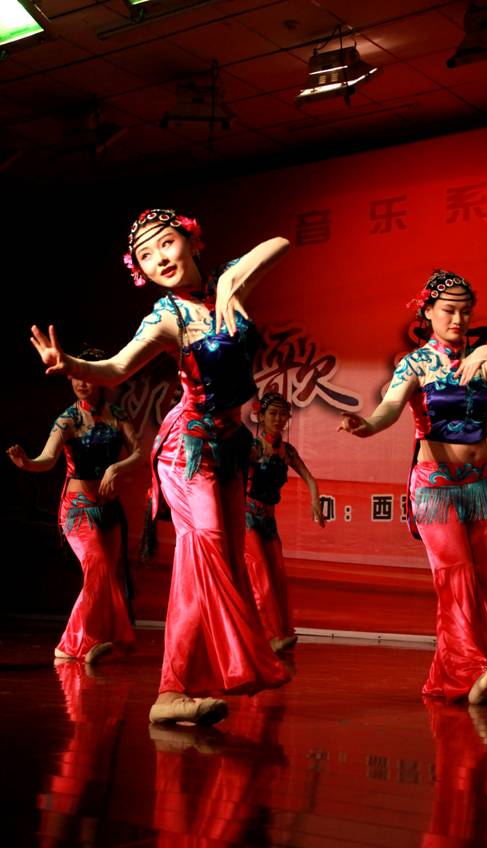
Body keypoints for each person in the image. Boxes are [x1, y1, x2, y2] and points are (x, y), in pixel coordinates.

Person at [29, 208, 291, 725]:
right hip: (187, 448)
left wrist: (229, 284)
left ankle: (179, 690)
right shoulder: (166, 317)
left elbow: (279, 242)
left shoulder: (227, 284)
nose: (159, 259)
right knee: (206, 547)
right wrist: (70, 364)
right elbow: (116, 368)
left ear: (192, 241)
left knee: (223, 561)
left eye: (166, 244)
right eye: (146, 256)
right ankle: (181, 687)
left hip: (230, 447)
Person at [339, 269, 487, 704]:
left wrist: (486, 350)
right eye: (449, 310)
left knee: (484, 577)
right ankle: (468, 673)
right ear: (427, 312)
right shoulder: (416, 364)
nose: (458, 319)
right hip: (436, 486)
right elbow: (390, 408)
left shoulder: (481, 363)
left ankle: (472, 672)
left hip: (482, 486)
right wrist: (366, 426)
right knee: (456, 576)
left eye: (466, 312)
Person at [7, 348, 140, 664]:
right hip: (78, 509)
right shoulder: (67, 419)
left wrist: (116, 468)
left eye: (86, 376)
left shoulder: (117, 415)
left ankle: (101, 639)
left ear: (100, 378)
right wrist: (28, 463)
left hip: (109, 509)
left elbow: (139, 453)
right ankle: (69, 645)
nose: (80, 383)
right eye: (75, 377)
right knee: (97, 565)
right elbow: (47, 459)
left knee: (108, 575)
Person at [245, 391, 325, 652]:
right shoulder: (253, 448)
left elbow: (309, 478)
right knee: (261, 578)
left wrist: (315, 502)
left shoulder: (287, 451)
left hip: (269, 521)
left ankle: (281, 632)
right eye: (273, 413)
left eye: (283, 414)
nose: (278, 419)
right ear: (260, 416)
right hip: (247, 520)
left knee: (278, 577)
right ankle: (269, 637)